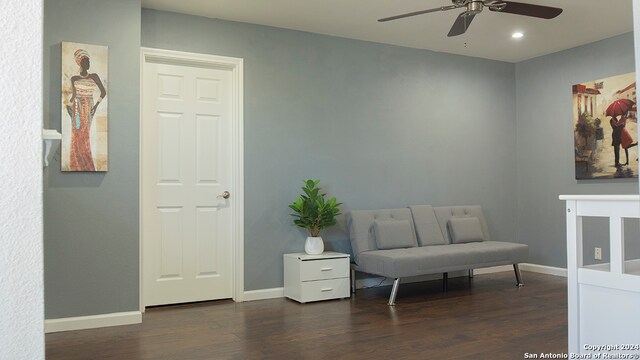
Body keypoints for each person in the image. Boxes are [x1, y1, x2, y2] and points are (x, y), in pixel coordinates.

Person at [66, 48, 106, 171]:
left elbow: (103, 92)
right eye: (85, 62)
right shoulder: (74, 79)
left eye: (88, 61)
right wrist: (68, 106)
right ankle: (77, 164)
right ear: (80, 63)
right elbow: (73, 96)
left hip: (89, 106)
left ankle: (86, 163)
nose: (88, 64)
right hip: (77, 107)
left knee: (84, 134)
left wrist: (95, 106)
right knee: (76, 135)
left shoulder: (94, 76)